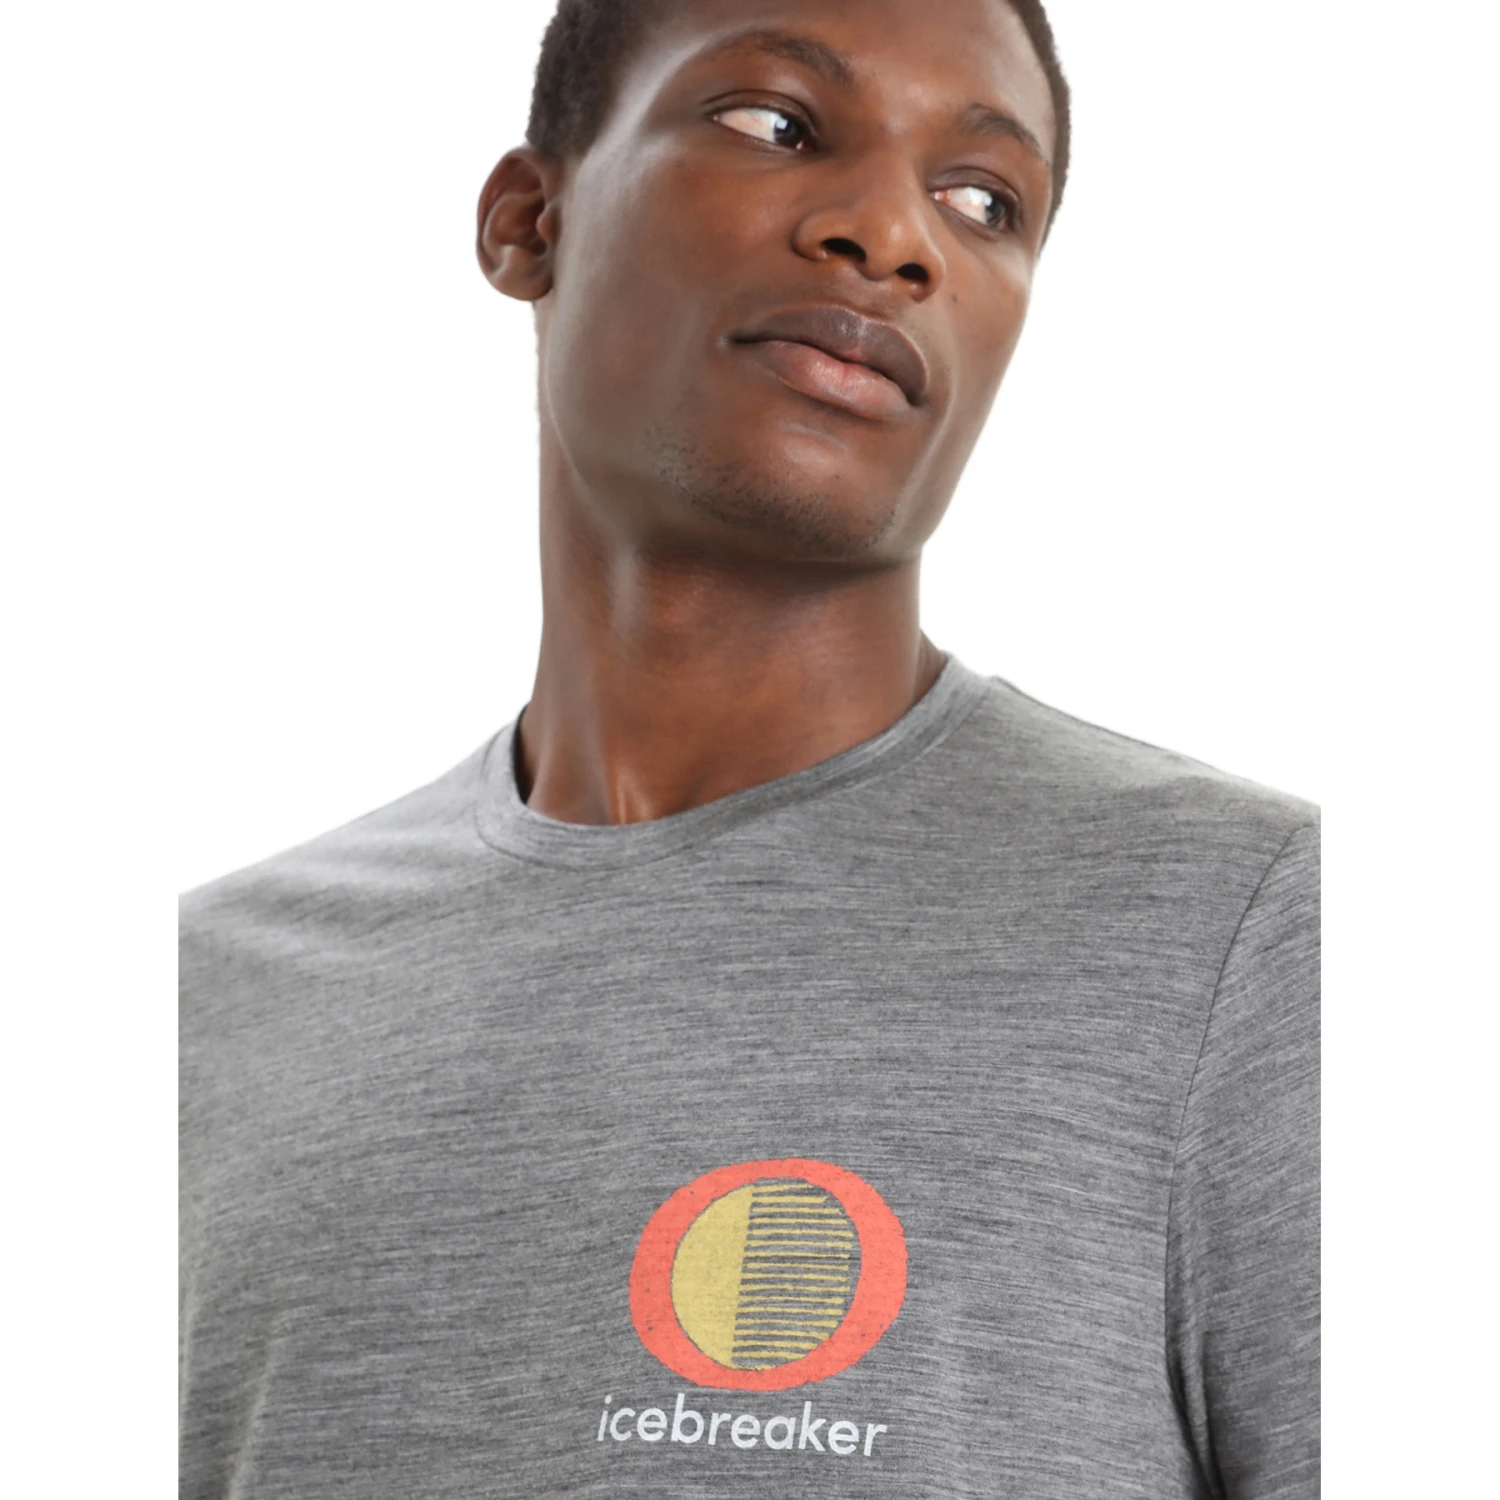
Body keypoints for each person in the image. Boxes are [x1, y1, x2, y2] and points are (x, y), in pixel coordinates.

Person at [179, 0, 1319, 1495]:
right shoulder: (203, 1003)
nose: (891, 236)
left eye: (985, 201)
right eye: (776, 123)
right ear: (529, 222)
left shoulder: (1252, 938)